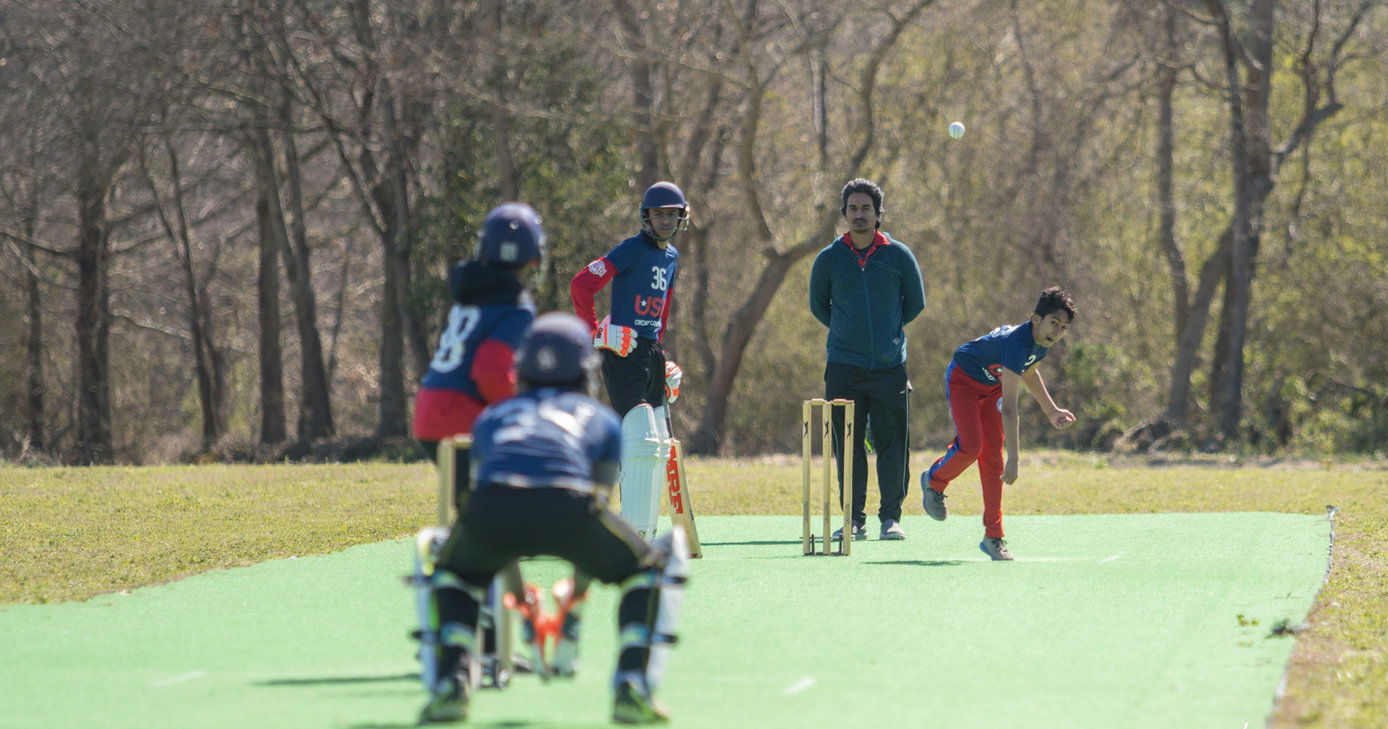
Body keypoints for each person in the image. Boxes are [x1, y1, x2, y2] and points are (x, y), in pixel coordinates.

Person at [415, 312, 689, 725]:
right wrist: (574, 602)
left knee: (455, 573)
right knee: (646, 569)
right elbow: (593, 512)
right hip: (569, 506)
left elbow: (498, 510)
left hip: (492, 509)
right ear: (585, 371)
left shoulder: (493, 417)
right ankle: (632, 684)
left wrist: (517, 592)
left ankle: (453, 682)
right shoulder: (601, 421)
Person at [919, 286, 1078, 560]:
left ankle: (993, 536)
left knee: (991, 457)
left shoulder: (1040, 344)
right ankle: (934, 480)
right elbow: (1011, 410)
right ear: (1035, 318)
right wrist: (1015, 458)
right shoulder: (1017, 343)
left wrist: (1051, 410)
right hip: (963, 380)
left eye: (1064, 327)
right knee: (971, 447)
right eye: (1054, 323)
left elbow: (1029, 373)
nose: (1058, 331)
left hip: (991, 388)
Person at [808, 178, 926, 541]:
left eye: (866, 208)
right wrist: (849, 334)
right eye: (853, 208)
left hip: (890, 367)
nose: (859, 214)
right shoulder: (829, 259)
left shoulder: (898, 255)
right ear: (844, 214)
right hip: (844, 367)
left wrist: (887, 333)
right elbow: (818, 306)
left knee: (893, 444)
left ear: (878, 215)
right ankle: (853, 519)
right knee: (848, 445)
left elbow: (915, 303)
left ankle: (890, 517)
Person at [570, 181, 688, 539]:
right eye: (658, 214)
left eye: (672, 214)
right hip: (622, 349)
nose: (665, 220)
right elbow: (581, 285)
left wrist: (662, 357)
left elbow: (663, 308)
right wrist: (595, 333)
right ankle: (628, 534)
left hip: (649, 351)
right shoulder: (631, 249)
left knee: (656, 443)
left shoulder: (672, 257)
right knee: (640, 437)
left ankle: (645, 533)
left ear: (681, 217)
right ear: (646, 216)